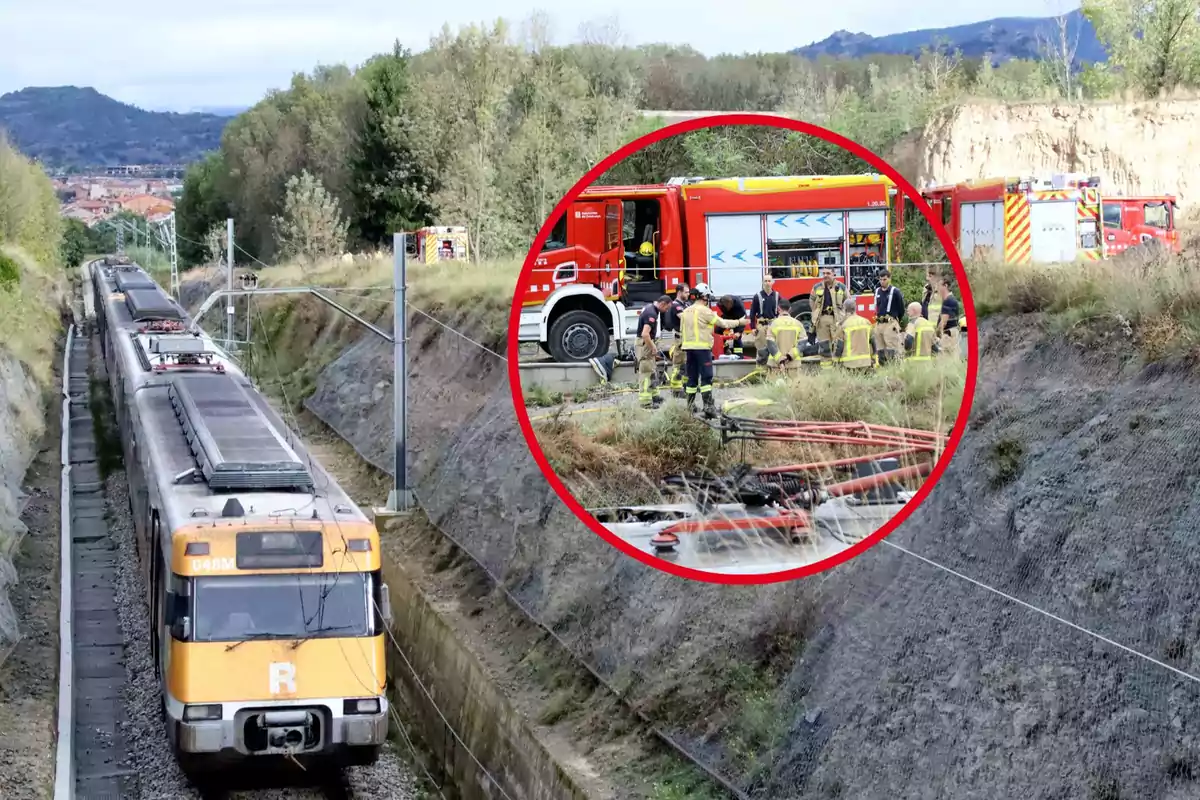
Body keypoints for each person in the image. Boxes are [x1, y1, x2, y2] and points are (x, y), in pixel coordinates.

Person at [679, 283, 742, 416]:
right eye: (707, 296)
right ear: (704, 296)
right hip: (702, 349)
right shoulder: (705, 311)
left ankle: (690, 407)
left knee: (692, 378)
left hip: (688, 349)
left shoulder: (685, 311)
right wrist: (739, 323)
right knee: (706, 377)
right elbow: (723, 323)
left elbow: (681, 330)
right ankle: (708, 407)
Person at [635, 296, 672, 408]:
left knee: (652, 371)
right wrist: (653, 347)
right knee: (646, 372)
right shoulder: (652, 314)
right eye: (667, 308)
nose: (667, 311)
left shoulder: (650, 308)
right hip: (645, 345)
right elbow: (645, 334)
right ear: (663, 304)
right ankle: (645, 402)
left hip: (646, 344)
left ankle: (655, 396)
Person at [808, 267, 847, 361]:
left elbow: (847, 301)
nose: (825, 275)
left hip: (836, 319)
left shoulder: (841, 286)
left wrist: (842, 315)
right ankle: (826, 369)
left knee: (838, 345)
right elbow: (812, 301)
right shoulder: (817, 287)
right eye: (824, 273)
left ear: (834, 274)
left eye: (828, 273)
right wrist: (815, 314)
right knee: (824, 345)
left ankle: (837, 367)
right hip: (822, 319)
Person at [749, 275, 786, 367]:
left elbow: (782, 310)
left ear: (772, 282)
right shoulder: (757, 296)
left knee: (775, 347)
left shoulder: (777, 296)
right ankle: (760, 369)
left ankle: (774, 367)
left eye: (769, 281)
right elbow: (752, 313)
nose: (767, 283)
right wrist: (753, 327)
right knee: (761, 348)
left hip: (774, 325)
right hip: (762, 326)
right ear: (762, 283)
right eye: (765, 281)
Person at [872, 269, 905, 365]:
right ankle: (883, 368)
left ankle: (893, 369)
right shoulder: (877, 291)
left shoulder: (895, 291)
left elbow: (901, 309)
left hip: (890, 323)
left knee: (891, 349)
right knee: (880, 349)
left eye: (884, 279)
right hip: (879, 323)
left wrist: (896, 320)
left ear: (889, 279)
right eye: (881, 279)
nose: (882, 281)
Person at [661, 283, 690, 392]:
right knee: (678, 364)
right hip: (680, 339)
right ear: (679, 292)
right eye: (686, 292)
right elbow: (685, 318)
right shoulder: (676, 305)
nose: (688, 294)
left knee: (687, 363)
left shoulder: (685, 304)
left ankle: (688, 385)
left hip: (687, 339)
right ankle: (676, 389)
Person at [834, 298, 873, 369]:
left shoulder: (844, 325)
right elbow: (873, 341)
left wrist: (836, 361)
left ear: (845, 310)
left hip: (849, 363)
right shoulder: (866, 322)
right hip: (866, 362)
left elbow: (840, 345)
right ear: (855, 308)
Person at [766, 305, 806, 371]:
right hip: (793, 365)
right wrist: (789, 357)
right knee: (794, 381)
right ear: (790, 309)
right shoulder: (798, 324)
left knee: (774, 381)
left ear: (778, 309)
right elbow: (802, 343)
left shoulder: (773, 324)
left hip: (776, 366)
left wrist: (780, 360)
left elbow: (770, 344)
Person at [935, 276, 962, 359]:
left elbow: (944, 321)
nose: (937, 288)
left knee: (943, 359)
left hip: (948, 334)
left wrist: (936, 333)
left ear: (945, 286)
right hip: (953, 333)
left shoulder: (948, 301)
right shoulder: (951, 300)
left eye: (939, 285)